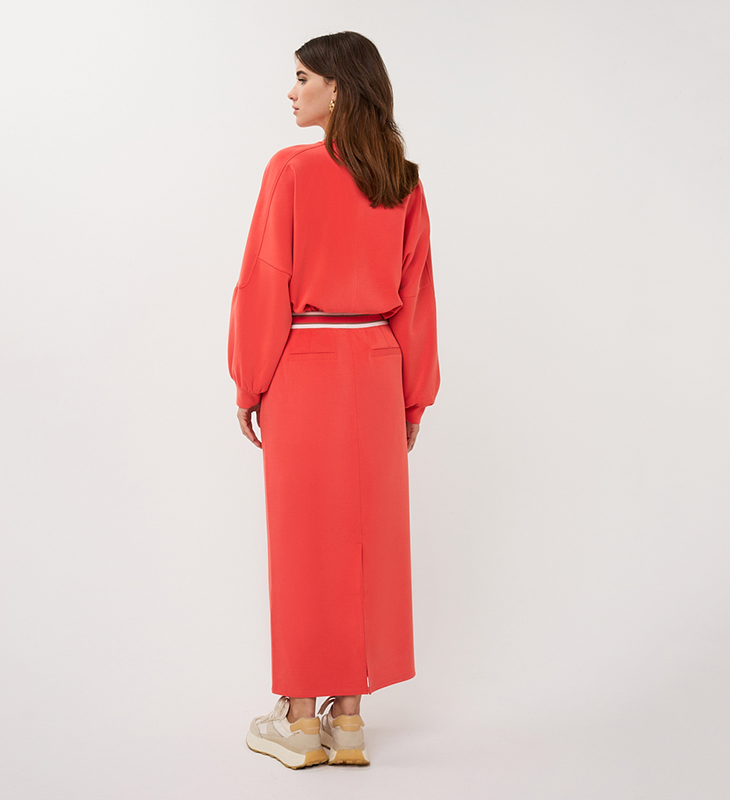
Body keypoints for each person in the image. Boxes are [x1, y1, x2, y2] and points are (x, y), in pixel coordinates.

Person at [228, 31, 440, 769]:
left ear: (338, 87)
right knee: (365, 539)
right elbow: (417, 296)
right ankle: (347, 718)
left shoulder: (291, 169)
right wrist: (412, 401)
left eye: (302, 77)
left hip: (308, 364)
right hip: (378, 367)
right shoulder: (400, 179)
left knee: (305, 540)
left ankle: (297, 718)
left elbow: (266, 280)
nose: (292, 92)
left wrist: (249, 380)